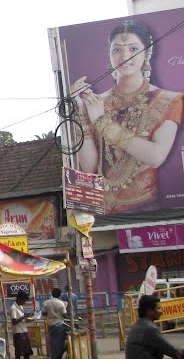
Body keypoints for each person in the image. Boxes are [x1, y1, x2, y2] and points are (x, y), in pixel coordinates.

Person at [73, 20, 183, 214]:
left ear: (147, 53)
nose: (124, 56)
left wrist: (102, 123)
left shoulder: (168, 100)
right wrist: (81, 111)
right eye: (117, 50)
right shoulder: (97, 103)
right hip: (103, 211)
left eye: (133, 49)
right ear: (109, 54)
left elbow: (156, 156)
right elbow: (89, 167)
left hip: (146, 209)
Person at [126, 294, 184, 359]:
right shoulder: (150, 329)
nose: (161, 311)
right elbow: (170, 350)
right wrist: (179, 354)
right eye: (158, 308)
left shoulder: (137, 326)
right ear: (149, 311)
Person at [10, 291, 38, 359]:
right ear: (20, 299)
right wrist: (23, 317)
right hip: (18, 333)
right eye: (24, 301)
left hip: (24, 331)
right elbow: (14, 321)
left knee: (27, 354)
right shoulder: (13, 308)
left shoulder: (20, 307)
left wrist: (29, 318)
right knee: (18, 354)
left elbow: (21, 320)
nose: (24, 303)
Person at [42, 287, 69, 359]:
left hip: (50, 324)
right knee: (60, 342)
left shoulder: (46, 303)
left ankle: (53, 358)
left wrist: (49, 313)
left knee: (53, 342)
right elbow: (65, 315)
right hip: (60, 324)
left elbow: (43, 313)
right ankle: (59, 358)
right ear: (60, 295)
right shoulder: (61, 303)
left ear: (52, 294)